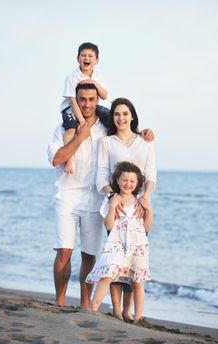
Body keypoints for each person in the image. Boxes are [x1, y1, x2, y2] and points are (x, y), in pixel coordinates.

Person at [47, 83, 154, 308]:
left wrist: (145, 133)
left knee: (90, 254)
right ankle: (59, 303)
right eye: (82, 99)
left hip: (96, 199)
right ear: (75, 101)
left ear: (97, 101)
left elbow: (126, 135)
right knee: (64, 251)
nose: (87, 104)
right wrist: (79, 136)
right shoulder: (64, 129)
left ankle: (85, 306)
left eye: (91, 99)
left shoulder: (106, 129)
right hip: (68, 195)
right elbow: (57, 159)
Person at [96, 97, 157, 321]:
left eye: (125, 113)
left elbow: (151, 174)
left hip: (139, 208)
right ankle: (116, 310)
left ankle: (129, 310)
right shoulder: (106, 142)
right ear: (112, 118)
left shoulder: (146, 141)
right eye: (116, 114)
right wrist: (114, 198)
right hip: (117, 208)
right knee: (115, 262)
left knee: (134, 262)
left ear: (132, 115)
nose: (121, 118)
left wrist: (146, 200)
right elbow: (101, 176)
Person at [86, 161, 153, 323]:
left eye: (132, 181)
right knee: (108, 274)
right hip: (116, 244)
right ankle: (93, 308)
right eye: (124, 180)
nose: (128, 184)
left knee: (137, 281)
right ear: (117, 180)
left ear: (138, 183)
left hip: (137, 246)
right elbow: (108, 225)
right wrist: (112, 206)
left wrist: (149, 210)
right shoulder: (112, 200)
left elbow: (146, 228)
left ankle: (138, 318)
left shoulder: (141, 202)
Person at [60, 42, 109, 174]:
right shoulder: (72, 77)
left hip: (92, 105)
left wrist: (94, 82)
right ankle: (69, 160)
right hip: (71, 107)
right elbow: (73, 101)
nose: (86, 58)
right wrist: (82, 122)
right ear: (78, 59)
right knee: (71, 129)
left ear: (96, 60)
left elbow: (104, 95)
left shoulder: (98, 75)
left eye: (90, 56)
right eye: (83, 55)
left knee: (110, 117)